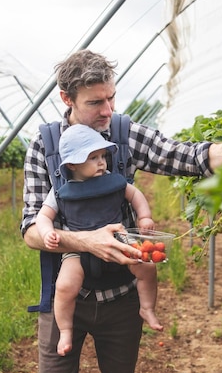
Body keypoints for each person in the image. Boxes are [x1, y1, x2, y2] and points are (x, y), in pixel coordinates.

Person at [21, 49, 222, 373]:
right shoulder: (45, 146)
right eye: (95, 103)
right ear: (67, 98)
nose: (108, 110)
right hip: (67, 294)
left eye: (111, 97)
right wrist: (84, 241)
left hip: (121, 296)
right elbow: (31, 227)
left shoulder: (123, 132)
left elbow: (181, 155)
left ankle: (146, 306)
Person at [35, 124, 162, 357]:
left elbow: (135, 195)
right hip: (79, 247)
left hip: (119, 236)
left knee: (146, 266)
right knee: (64, 286)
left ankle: (147, 308)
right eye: (93, 158)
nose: (102, 162)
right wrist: (46, 233)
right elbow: (43, 216)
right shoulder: (61, 191)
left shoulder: (113, 181)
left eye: (103, 156)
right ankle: (65, 330)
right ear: (72, 164)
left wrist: (144, 217)